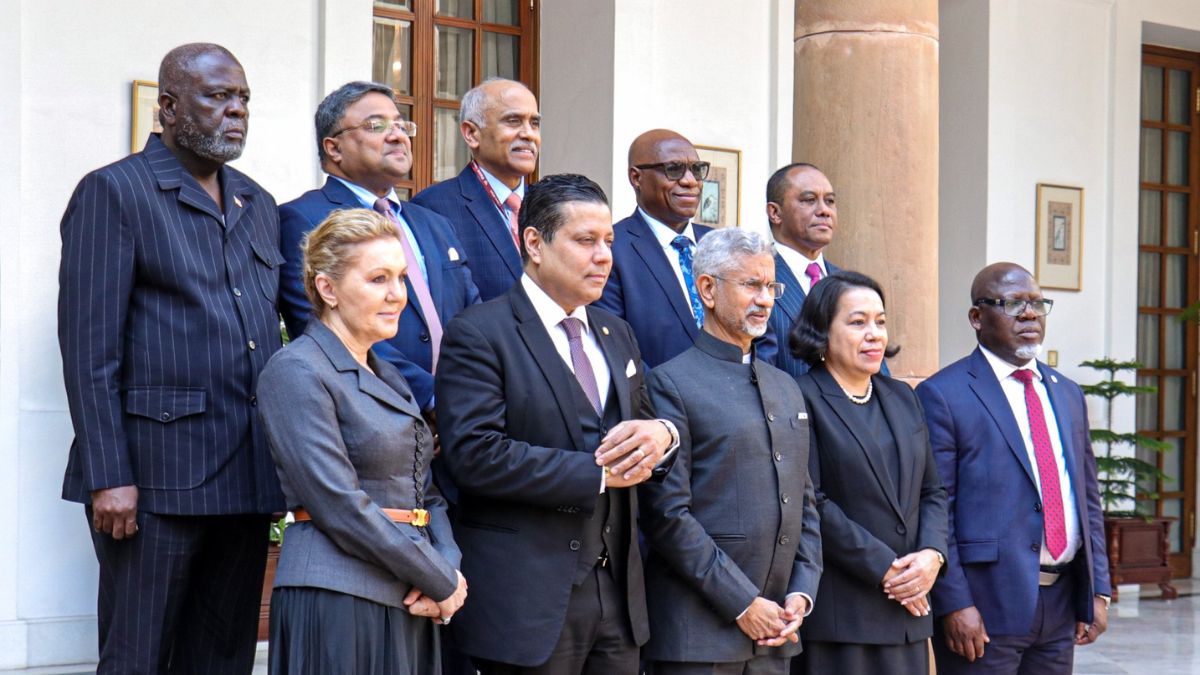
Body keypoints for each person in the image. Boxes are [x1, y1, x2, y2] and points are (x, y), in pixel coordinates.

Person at [57, 43, 285, 672]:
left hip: (246, 477)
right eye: (217, 96)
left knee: (224, 657)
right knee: (139, 655)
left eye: (242, 98)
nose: (235, 110)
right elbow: (87, 350)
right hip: (152, 480)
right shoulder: (115, 192)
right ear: (167, 106)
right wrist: (109, 475)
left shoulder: (257, 203)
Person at [435, 174, 679, 674]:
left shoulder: (617, 332)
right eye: (585, 240)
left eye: (608, 241)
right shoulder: (478, 333)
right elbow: (475, 456)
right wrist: (598, 474)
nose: (604, 256)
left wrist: (664, 434)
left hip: (620, 600)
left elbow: (656, 416)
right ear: (534, 243)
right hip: (527, 602)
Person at [258, 208, 467, 673]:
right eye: (378, 279)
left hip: (410, 594)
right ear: (327, 288)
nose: (398, 295)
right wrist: (437, 576)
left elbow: (425, 491)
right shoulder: (297, 369)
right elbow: (338, 503)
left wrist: (449, 569)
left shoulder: (389, 374)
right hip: (338, 595)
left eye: (401, 278)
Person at [639, 228, 822, 675]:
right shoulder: (669, 383)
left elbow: (806, 503)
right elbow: (667, 515)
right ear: (707, 289)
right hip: (697, 639)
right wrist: (742, 603)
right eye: (751, 285)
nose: (765, 300)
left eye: (771, 287)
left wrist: (801, 592)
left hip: (778, 635)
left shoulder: (786, 386)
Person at [916, 263, 1111, 674]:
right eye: (1013, 304)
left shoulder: (1067, 393)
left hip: (1061, 602)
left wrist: (1099, 591)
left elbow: (1088, 499)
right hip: (985, 608)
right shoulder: (944, 394)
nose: (1030, 314)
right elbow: (936, 510)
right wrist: (954, 603)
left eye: (1038, 304)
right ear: (976, 317)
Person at [279, 80, 480, 414]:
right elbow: (329, 331)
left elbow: (474, 318)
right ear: (334, 148)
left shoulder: (434, 224)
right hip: (374, 417)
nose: (397, 135)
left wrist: (475, 400)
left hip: (462, 425)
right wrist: (433, 402)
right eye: (377, 126)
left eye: (402, 125)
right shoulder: (302, 219)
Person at [789, 271, 948, 673]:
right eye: (858, 322)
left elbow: (932, 491)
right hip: (844, 616)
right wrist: (887, 568)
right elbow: (811, 503)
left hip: (909, 612)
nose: (874, 333)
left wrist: (932, 555)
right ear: (822, 331)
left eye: (880, 321)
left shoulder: (902, 397)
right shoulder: (799, 397)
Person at [596, 129, 776, 368]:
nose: (690, 181)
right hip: (659, 401)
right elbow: (617, 350)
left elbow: (761, 334)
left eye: (697, 170)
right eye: (674, 169)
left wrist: (747, 390)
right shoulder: (612, 249)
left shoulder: (724, 245)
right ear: (636, 177)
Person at [412, 78, 540, 301]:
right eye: (513, 121)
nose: (528, 134)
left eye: (534, 123)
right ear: (471, 133)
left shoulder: (548, 206)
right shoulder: (433, 209)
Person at [764, 163, 841, 378]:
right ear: (775, 212)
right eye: (809, 200)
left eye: (830, 201)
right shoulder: (757, 281)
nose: (824, 210)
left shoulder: (849, 285)